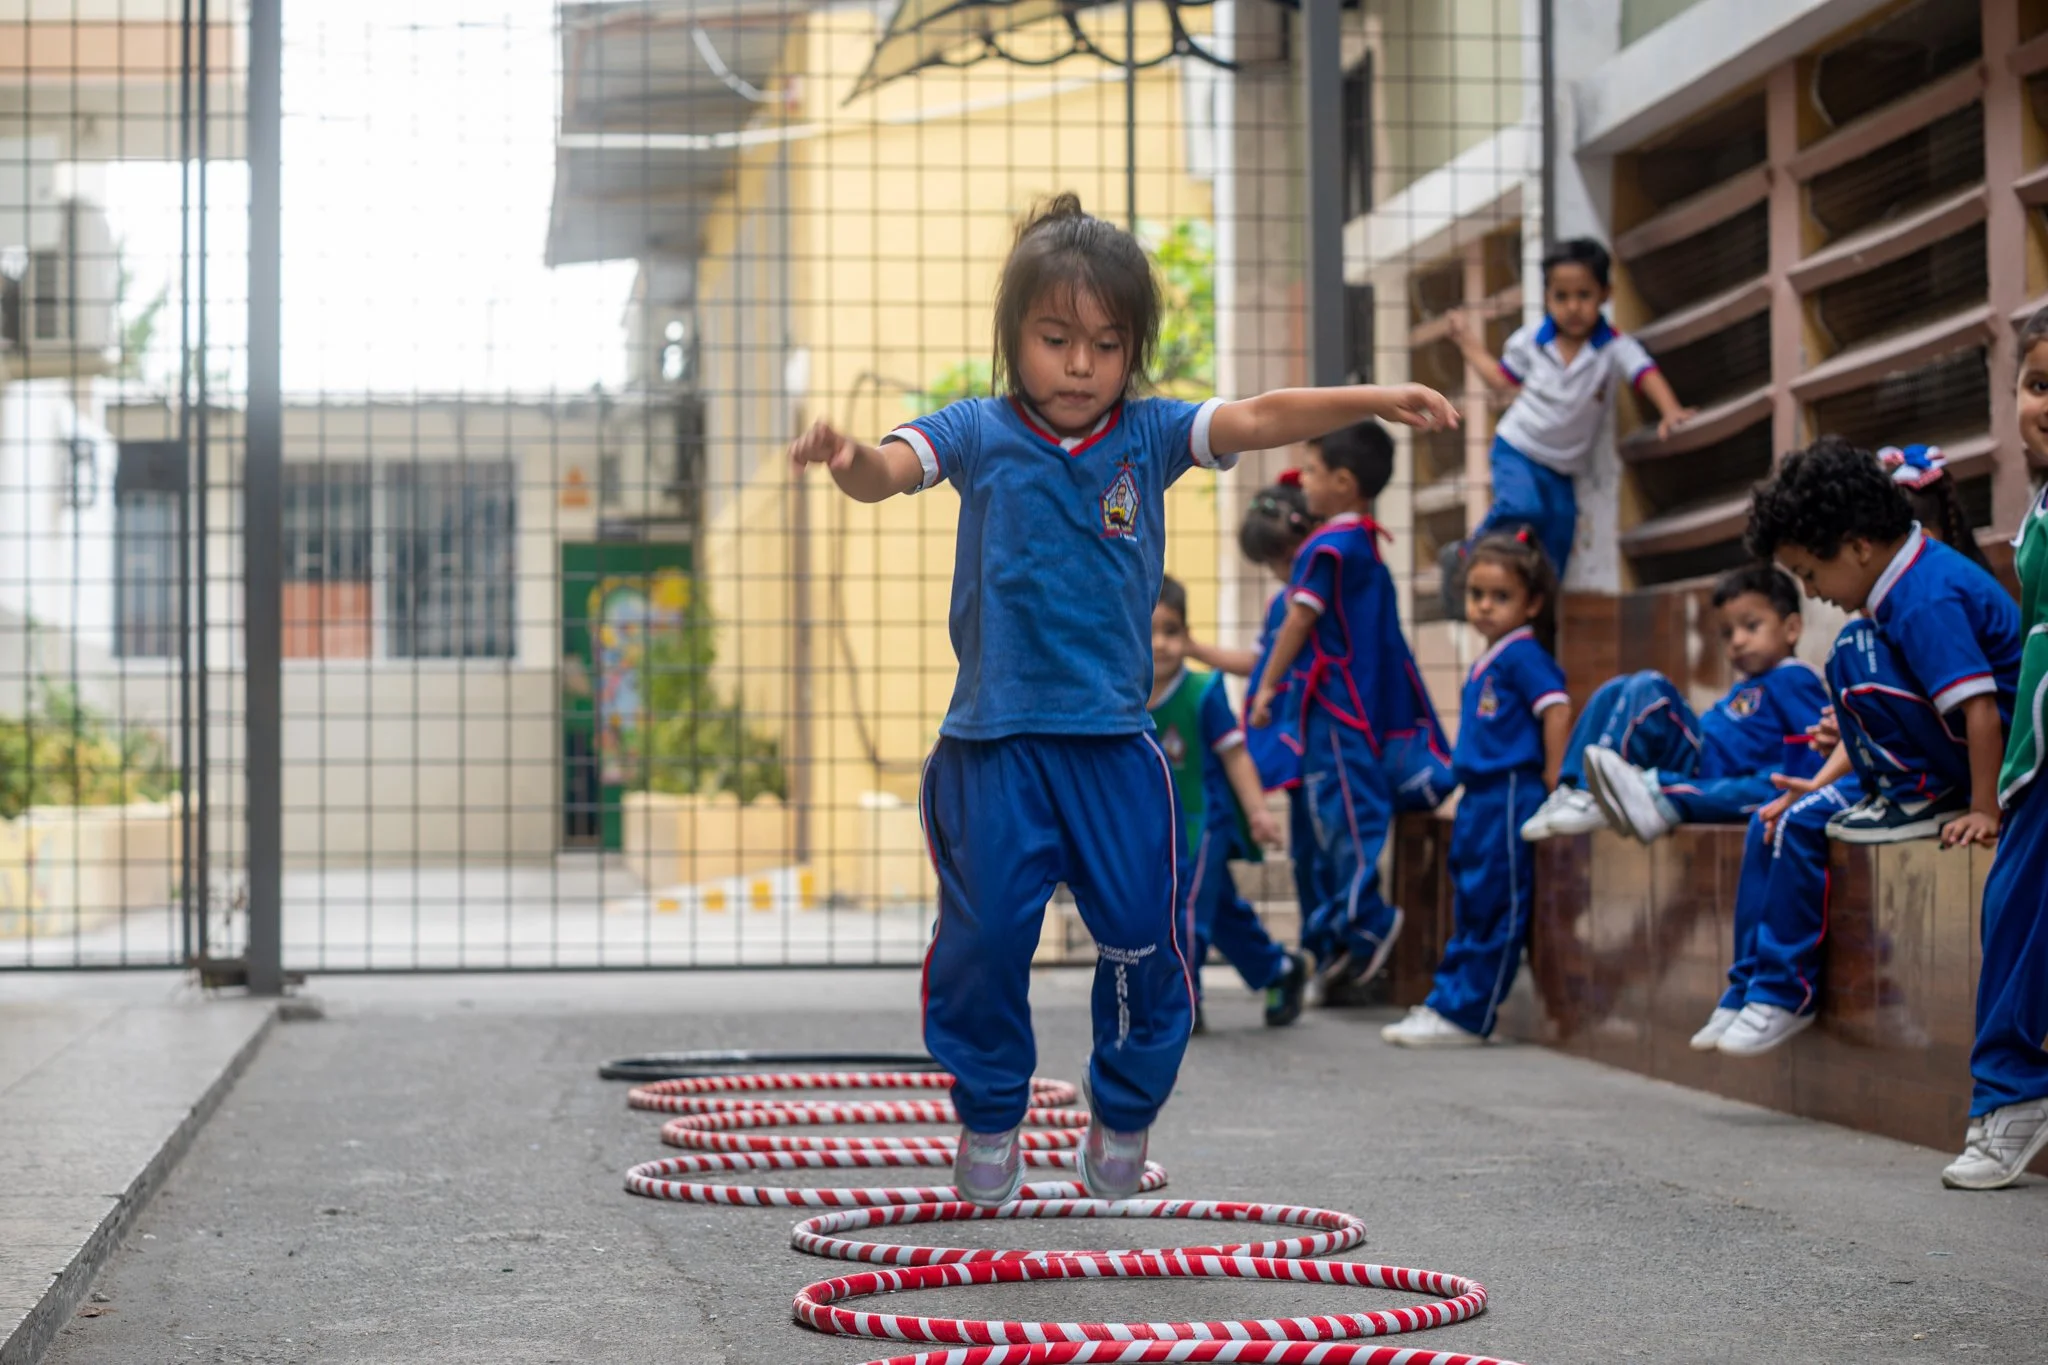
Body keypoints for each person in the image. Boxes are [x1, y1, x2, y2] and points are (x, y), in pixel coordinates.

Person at [788, 192, 1460, 1207]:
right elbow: (888, 470)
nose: (1079, 365)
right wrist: (848, 460)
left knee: (1144, 937)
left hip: (1112, 750)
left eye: (1106, 345)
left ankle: (1123, 1104)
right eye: (1055, 339)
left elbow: (1261, 416)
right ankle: (989, 1111)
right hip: (993, 749)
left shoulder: (1149, 435)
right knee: (982, 945)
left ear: (1132, 350)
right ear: (1014, 335)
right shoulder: (976, 430)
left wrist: (1370, 397)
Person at [1702, 437, 2021, 1059]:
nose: (1811, 590)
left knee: (1854, 651)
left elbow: (1981, 710)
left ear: (1857, 547)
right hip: (1951, 758)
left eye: (1810, 573)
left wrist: (1985, 809)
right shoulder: (1897, 586)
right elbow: (1880, 718)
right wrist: (1820, 784)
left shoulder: (1925, 595)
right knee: (1784, 817)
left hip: (1986, 770)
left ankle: (1915, 799)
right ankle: (1754, 991)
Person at [1247, 422, 1452, 1005]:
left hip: (1338, 711)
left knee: (1346, 818)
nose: (1303, 482)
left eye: (1312, 472)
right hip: (1351, 708)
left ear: (1342, 482)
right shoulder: (1360, 542)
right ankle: (1342, 932)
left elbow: (1300, 619)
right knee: (1333, 819)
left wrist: (1267, 686)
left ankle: (1367, 921)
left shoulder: (1328, 548)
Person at [1382, 530, 1570, 1047]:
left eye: (1501, 596)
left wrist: (1554, 779)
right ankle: (1450, 999)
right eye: (1477, 594)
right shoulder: (1494, 656)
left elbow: (1556, 709)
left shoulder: (1523, 655)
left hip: (1509, 792)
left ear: (1532, 603)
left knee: (1493, 903)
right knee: (1470, 899)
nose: (1485, 606)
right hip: (1480, 797)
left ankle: (1467, 1013)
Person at [1441, 237, 1694, 603]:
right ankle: (1465, 555)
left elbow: (1644, 373)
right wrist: (1467, 341)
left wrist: (1670, 410)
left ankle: (1543, 602)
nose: (1573, 307)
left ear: (1606, 293)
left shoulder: (1614, 347)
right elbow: (1500, 380)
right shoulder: (1531, 341)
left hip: (1562, 467)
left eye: (1584, 295)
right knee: (1522, 507)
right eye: (1561, 296)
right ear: (1547, 297)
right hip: (1518, 447)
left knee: (1560, 534)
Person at [1944, 307, 2048, 1190]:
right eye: (2039, 383)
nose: (2047, 405)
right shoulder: (2036, 511)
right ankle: (2009, 1095)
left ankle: (2011, 1095)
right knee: (2009, 912)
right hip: (2035, 762)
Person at [1519, 563, 1828, 844]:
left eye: (1751, 626)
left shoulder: (1794, 677)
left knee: (1651, 688)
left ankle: (1595, 796)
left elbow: (1815, 746)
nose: (1737, 641)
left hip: (1706, 766)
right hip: (1699, 756)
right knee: (1614, 690)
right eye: (1727, 633)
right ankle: (1573, 790)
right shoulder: (1752, 682)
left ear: (1791, 628)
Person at [1148, 577, 1307, 1034]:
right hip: (1156, 828)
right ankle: (1279, 969)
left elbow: (1235, 755)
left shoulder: (1204, 691)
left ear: (1187, 634)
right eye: (1149, 630)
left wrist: (1258, 813)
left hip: (1204, 824)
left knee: (1186, 906)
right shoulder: (1125, 694)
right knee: (1218, 912)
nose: (1160, 644)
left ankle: (1182, 1000)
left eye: (1171, 631)